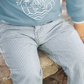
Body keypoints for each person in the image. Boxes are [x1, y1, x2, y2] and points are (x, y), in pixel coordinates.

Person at [0, 0, 84, 84]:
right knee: (27, 73)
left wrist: (79, 23)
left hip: (55, 25)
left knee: (80, 58)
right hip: (13, 28)